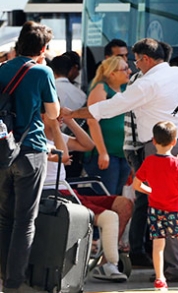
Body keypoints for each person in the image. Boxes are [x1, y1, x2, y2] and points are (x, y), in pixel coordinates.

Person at [63, 38, 178, 280]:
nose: (134, 66)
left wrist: (72, 114)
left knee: (166, 208)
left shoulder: (146, 82)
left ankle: (176, 269)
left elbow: (109, 108)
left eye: (136, 60)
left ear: (147, 59)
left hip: (160, 149)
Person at [0, 21, 59, 293]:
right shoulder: (42, 72)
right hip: (31, 149)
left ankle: (2, 277)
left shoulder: (2, 69)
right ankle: (14, 284)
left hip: (3, 152)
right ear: (43, 48)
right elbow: (54, 113)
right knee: (25, 220)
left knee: (4, 218)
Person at [42, 113, 132, 283]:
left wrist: (69, 120)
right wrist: (54, 127)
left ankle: (106, 259)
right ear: (42, 115)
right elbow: (62, 156)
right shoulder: (36, 137)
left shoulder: (59, 135)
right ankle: (110, 264)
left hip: (68, 190)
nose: (59, 116)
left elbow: (89, 145)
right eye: (55, 112)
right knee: (110, 217)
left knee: (124, 204)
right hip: (53, 192)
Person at [133, 121, 178, 290]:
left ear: (153, 141)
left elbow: (136, 185)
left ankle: (160, 279)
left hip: (155, 210)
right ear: (174, 142)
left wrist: (151, 191)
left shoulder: (149, 161)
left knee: (158, 245)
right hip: (175, 210)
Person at [83, 56, 132, 195]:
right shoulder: (101, 88)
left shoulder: (124, 89)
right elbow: (92, 121)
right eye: (124, 69)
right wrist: (103, 152)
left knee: (116, 196)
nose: (129, 71)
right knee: (106, 195)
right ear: (112, 73)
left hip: (121, 154)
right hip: (106, 154)